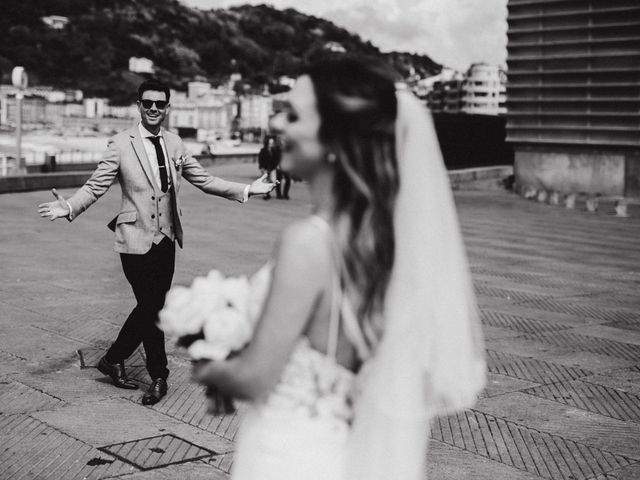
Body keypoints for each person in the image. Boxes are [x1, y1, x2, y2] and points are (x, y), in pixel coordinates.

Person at [192, 57, 485, 480]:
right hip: (338, 450)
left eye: (293, 115)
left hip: (288, 455)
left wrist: (208, 361)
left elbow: (255, 378)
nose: (277, 124)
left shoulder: (308, 242)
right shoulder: (380, 242)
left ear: (335, 138)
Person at [37, 79, 275, 406]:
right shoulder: (121, 144)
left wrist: (247, 190)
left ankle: (114, 359)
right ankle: (158, 375)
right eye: (147, 103)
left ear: (167, 108)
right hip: (133, 239)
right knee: (152, 307)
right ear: (138, 105)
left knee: (153, 306)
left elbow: (204, 180)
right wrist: (69, 207)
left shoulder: (175, 144)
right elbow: (95, 186)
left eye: (159, 104)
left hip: (166, 240)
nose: (153, 109)